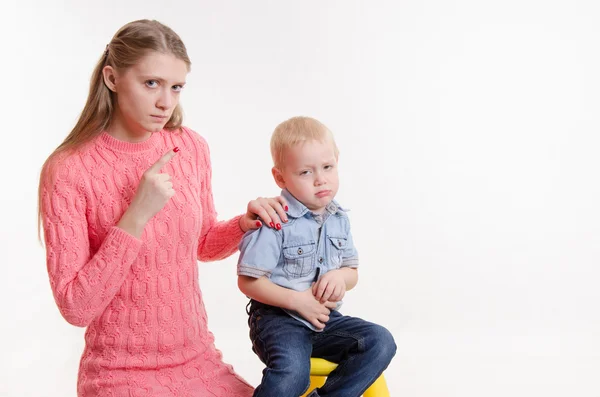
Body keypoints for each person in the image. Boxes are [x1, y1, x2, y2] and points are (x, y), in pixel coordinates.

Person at [38, 19, 288, 397]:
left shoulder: (190, 148)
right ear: (111, 78)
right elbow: (76, 307)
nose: (165, 102)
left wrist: (243, 224)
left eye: (176, 87)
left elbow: (203, 244)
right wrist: (136, 215)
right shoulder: (69, 170)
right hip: (119, 374)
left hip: (197, 361)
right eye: (151, 83)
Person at [237, 116, 397, 397]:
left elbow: (351, 271)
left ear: (337, 162)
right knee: (292, 376)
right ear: (280, 177)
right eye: (305, 172)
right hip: (278, 320)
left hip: (324, 321)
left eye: (327, 167)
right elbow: (248, 282)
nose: (321, 179)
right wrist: (297, 301)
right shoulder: (275, 219)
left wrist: (340, 278)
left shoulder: (338, 218)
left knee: (380, 341)